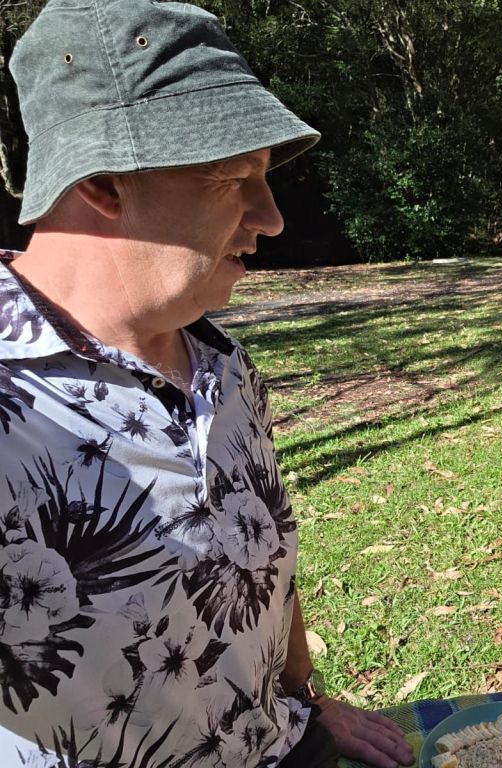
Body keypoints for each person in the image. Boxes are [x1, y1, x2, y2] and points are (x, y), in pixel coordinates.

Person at [0, 1, 414, 766]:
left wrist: (306, 699)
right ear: (102, 181)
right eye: (234, 177)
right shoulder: (13, 406)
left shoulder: (224, 367)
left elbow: (265, 569)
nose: (272, 217)